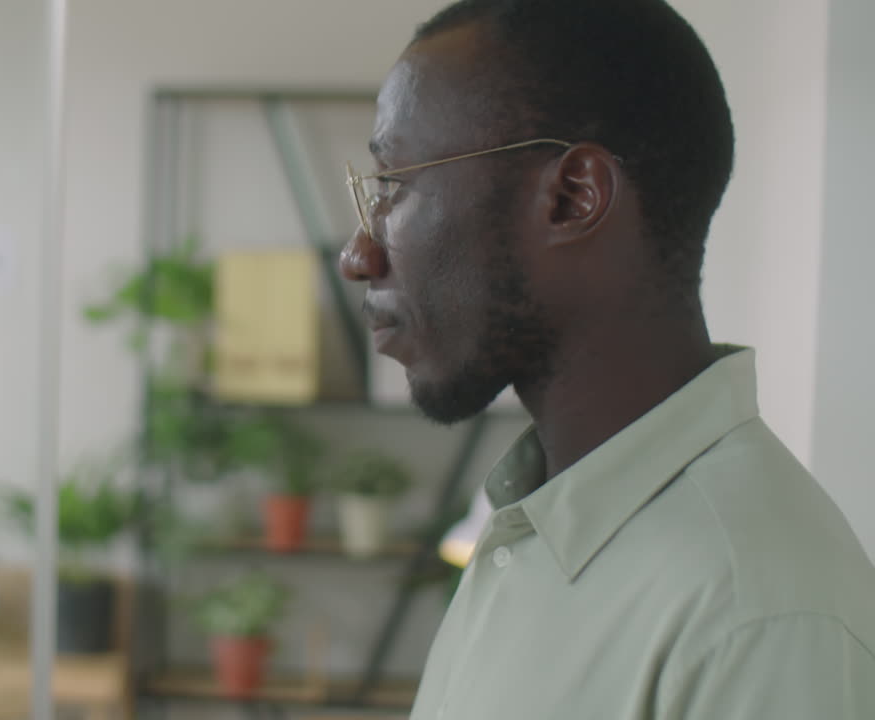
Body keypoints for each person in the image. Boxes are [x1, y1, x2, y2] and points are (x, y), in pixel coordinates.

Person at [338, 0, 875, 717]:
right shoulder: (526, 527)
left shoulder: (759, 613)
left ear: (570, 198)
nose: (358, 254)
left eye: (394, 185)